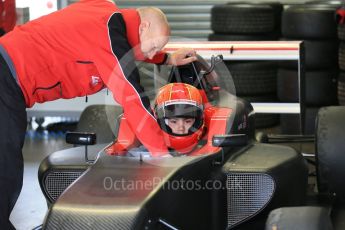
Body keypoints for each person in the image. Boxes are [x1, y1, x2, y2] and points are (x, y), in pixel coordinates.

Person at [0, 0, 197, 228]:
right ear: (143, 27)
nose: (153, 52)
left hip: (7, 70)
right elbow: (131, 95)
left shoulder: (107, 14)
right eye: (155, 47)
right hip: (5, 76)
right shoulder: (107, 31)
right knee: (4, 166)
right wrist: (162, 155)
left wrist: (166, 58)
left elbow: (128, 48)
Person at [154, 83, 205, 154]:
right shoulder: (144, 150)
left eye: (187, 121)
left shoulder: (209, 149)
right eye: (174, 122)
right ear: (162, 122)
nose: (181, 128)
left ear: (197, 122)